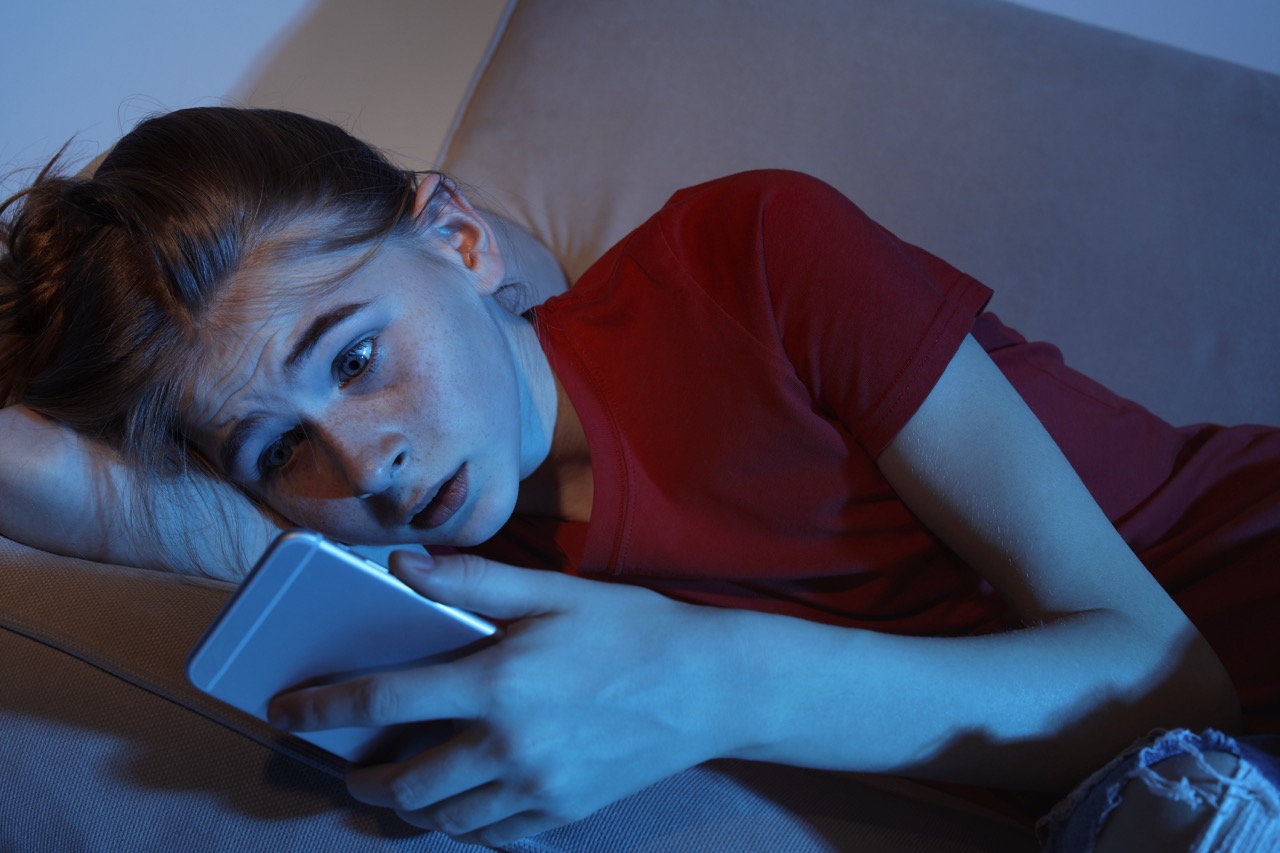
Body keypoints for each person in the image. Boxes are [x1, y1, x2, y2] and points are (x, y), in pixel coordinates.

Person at [1, 107, 1276, 848]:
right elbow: (68, 484)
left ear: (454, 235)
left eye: (355, 354)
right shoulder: (438, 575)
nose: (362, 458)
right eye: (276, 449)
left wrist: (711, 678)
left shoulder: (749, 257)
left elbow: (1164, 685)